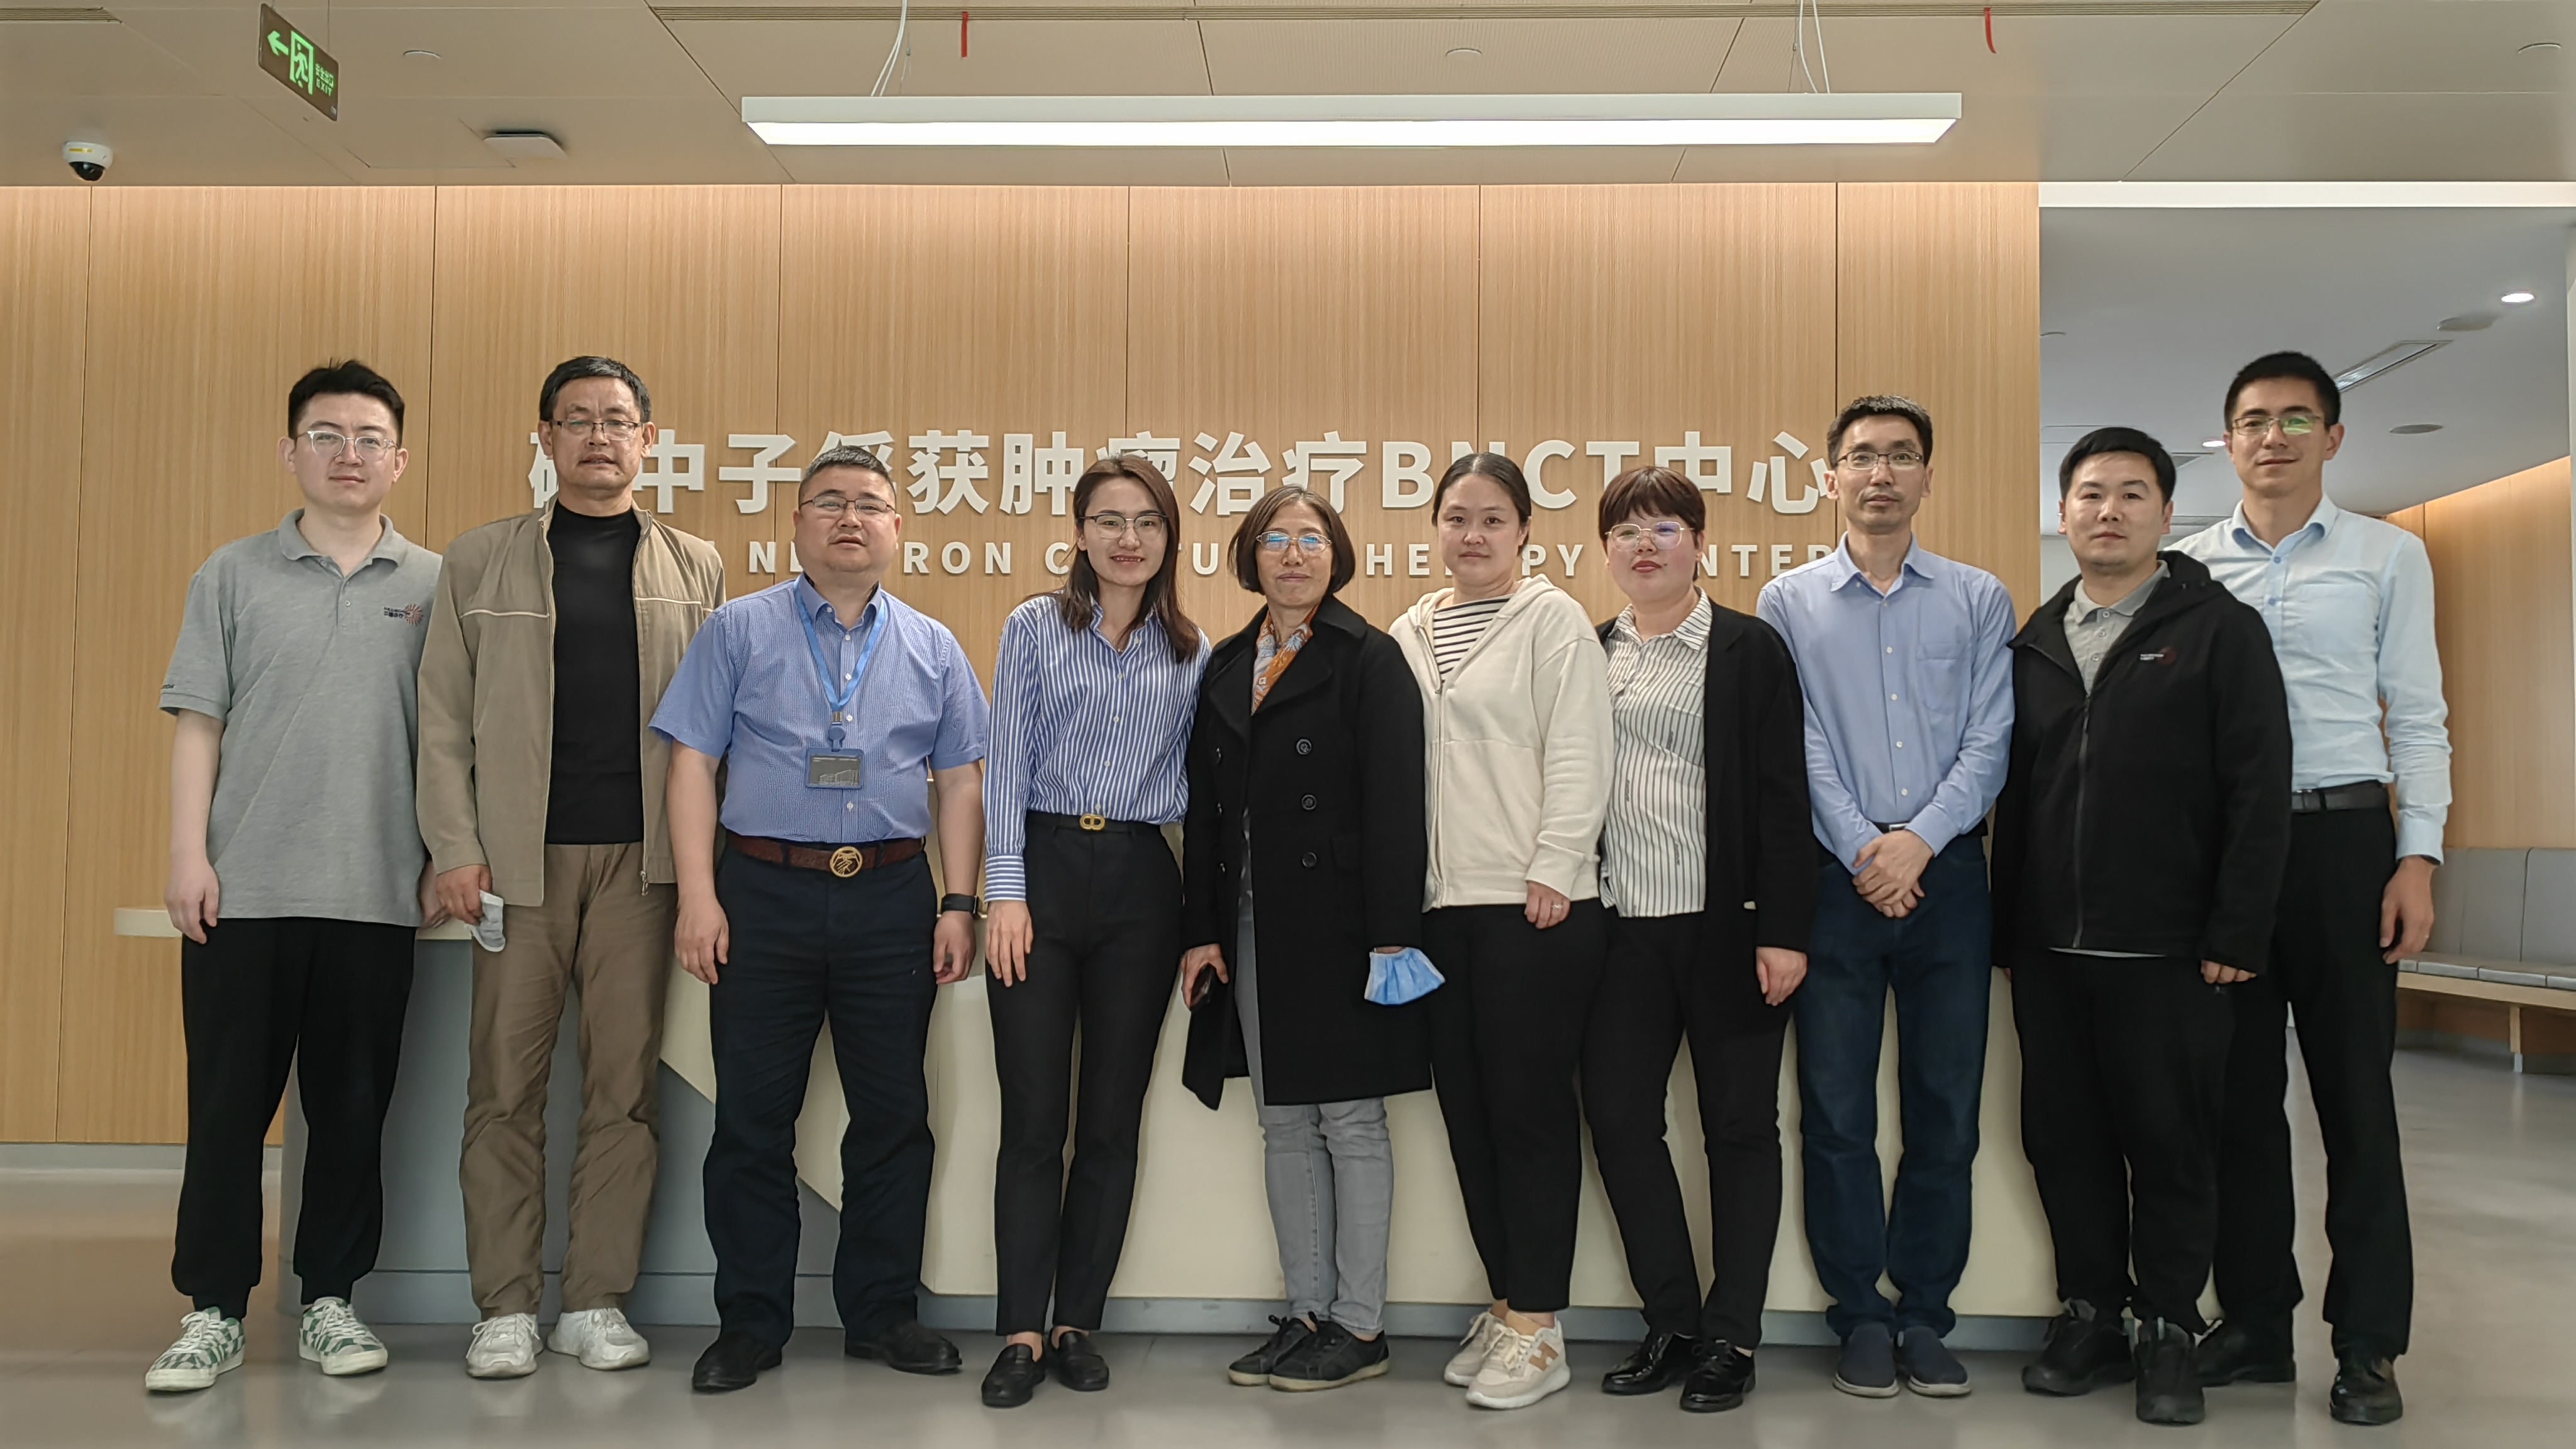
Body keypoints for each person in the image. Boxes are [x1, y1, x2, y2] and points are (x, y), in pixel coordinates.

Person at [416, 356, 728, 1379]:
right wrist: (457, 848)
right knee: (503, 1091)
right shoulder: (480, 561)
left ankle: (595, 1301)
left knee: (624, 1091)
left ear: (648, 440)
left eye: (618, 420)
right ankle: (504, 1308)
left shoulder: (697, 567)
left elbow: (717, 736)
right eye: (578, 420)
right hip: (517, 867)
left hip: (646, 870)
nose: (599, 437)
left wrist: (703, 874)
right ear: (545, 438)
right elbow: (441, 721)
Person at [654, 445, 990, 1394]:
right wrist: (699, 895)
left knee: (894, 1117)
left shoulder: (933, 646)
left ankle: (882, 1314)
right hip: (763, 892)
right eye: (830, 502)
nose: (851, 519)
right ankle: (751, 1323)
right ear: (797, 523)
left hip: (892, 897)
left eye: (870, 505)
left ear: (896, 530)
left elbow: (961, 781)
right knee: (752, 1121)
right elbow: (691, 764)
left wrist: (959, 902)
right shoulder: (737, 630)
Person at [148, 361, 441, 1393]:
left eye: (368, 438)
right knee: (227, 1110)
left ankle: (331, 1300)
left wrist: (444, 857)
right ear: (290, 452)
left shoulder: (435, 583)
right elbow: (199, 723)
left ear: (399, 460)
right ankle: (212, 1310)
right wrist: (188, 854)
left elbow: (451, 742)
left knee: (352, 1112)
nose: (347, 455)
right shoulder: (230, 574)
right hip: (245, 892)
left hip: (375, 892)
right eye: (326, 435)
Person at [2175, 352, 2450, 1427]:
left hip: (2346, 846)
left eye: (2296, 420)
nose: (2273, 437)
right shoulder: (2190, 570)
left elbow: (2417, 714)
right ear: (2228, 441)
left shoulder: (2389, 555)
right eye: (2253, 420)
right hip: (2229, 858)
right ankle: (2253, 1321)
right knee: (2237, 1103)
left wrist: (2417, 856)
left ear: (2332, 438)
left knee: (2356, 1103)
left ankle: (2369, 1341)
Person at [1997, 428, 2292, 1426]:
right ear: (2065, 512)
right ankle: (2092, 1314)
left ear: (2167, 514)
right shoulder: (2036, 640)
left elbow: (2259, 789)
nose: (2109, 511)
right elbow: (2018, 795)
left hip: (2171, 951)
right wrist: (2008, 933)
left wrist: (2238, 931)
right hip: (2051, 951)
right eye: (2091, 494)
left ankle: (2169, 1324)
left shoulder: (2219, 631)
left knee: (2171, 1146)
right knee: (2063, 1141)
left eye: (2132, 494)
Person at [1756, 395, 2013, 1399]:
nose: (1881, 473)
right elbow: (1798, 741)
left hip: (1949, 883)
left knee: (1947, 1110)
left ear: (1927, 478)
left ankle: (1926, 1314)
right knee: (1835, 1113)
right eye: (1862, 457)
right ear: (1830, 479)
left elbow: (1991, 738)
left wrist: (1918, 844)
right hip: (1836, 881)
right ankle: (1859, 1313)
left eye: (1901, 457)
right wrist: (1869, 847)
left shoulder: (1978, 598)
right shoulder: (1787, 602)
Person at [1177, 486, 1429, 1396]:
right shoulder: (1227, 661)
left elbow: (1399, 809)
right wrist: (1202, 931)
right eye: (1275, 539)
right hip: (1252, 924)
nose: (1293, 554)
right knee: (1282, 1122)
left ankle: (1361, 1325)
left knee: (1351, 1123)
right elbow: (1206, 813)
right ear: (1251, 556)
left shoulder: (1370, 658)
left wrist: (1392, 939)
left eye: (1311, 539)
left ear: (1337, 554)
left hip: (1345, 924)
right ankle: (1308, 1314)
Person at [1579, 467, 1814, 1415]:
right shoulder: (1590, 650)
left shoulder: (1749, 649)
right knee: (1620, 1121)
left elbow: (1784, 797)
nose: (1645, 546)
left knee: (1740, 1130)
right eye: (1627, 532)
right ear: (1606, 552)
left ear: (1699, 544)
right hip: (1619, 935)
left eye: (1665, 529)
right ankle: (1672, 1321)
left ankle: (1734, 1336)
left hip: (1729, 931)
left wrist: (1785, 929)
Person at [975, 455, 1207, 1408]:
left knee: (1112, 1120)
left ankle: (1076, 1322)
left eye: (1147, 521)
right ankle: (1020, 1330)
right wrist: (1004, 891)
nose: (1128, 539)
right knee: (1034, 1121)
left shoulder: (1192, 650)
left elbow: (1205, 793)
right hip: (1042, 869)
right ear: (1079, 533)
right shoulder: (1035, 626)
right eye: (1109, 520)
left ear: (1168, 538)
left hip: (1144, 882)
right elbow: (1004, 764)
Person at [1389, 453, 1613, 1411]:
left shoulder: (1552, 620)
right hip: (1441, 912)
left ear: (1524, 530)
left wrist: (1556, 865)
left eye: (1491, 519)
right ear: (1435, 528)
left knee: (1529, 1115)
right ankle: (1508, 1301)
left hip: (1535, 907)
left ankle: (1541, 1325)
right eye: (1456, 518)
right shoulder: (1409, 630)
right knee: (1468, 1115)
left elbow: (1582, 748)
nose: (1472, 535)